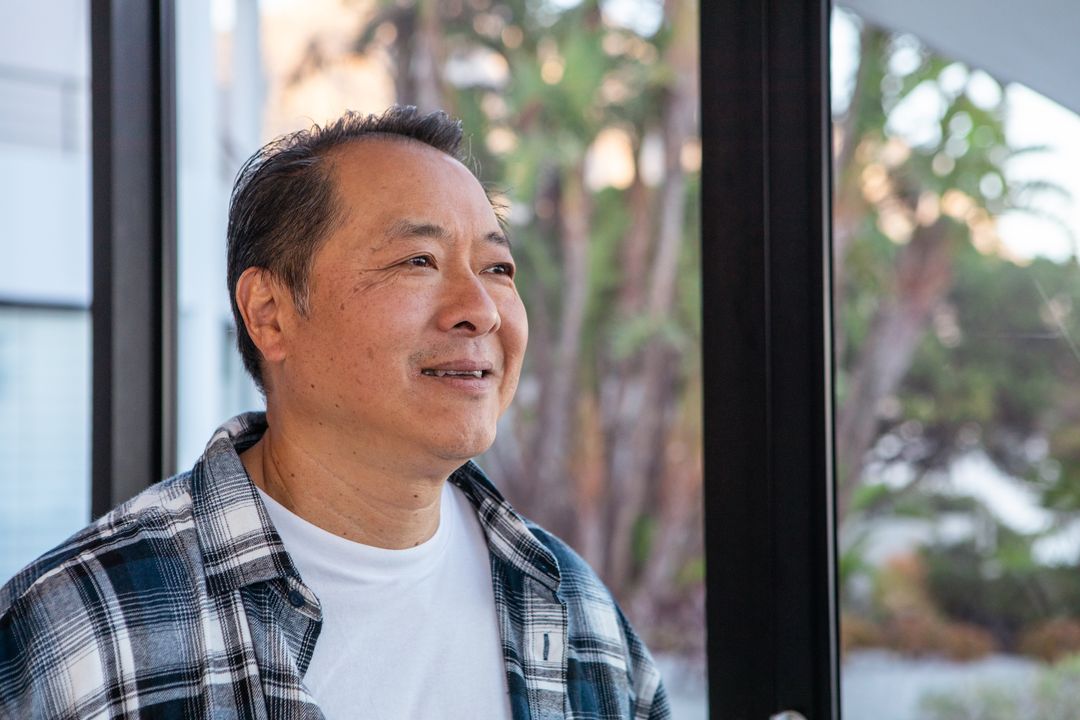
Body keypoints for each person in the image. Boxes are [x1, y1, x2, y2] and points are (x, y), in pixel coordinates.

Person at [0, 106, 670, 719]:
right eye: (418, 259)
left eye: (498, 267)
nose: (482, 309)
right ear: (270, 314)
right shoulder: (84, 626)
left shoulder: (575, 611)